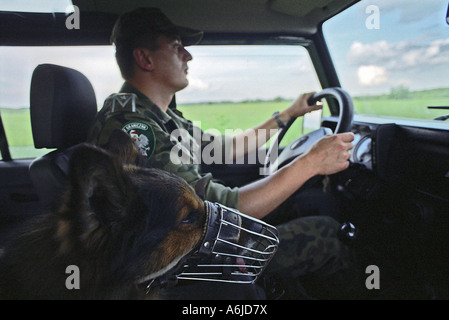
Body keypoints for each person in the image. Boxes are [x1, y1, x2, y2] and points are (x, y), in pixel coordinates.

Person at [87, 7, 363, 299]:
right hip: (185, 259)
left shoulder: (157, 115)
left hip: (196, 238)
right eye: (177, 46)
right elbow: (214, 214)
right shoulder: (134, 125)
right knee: (328, 234)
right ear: (145, 58)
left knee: (310, 203)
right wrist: (310, 163)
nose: (188, 56)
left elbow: (226, 149)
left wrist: (288, 114)